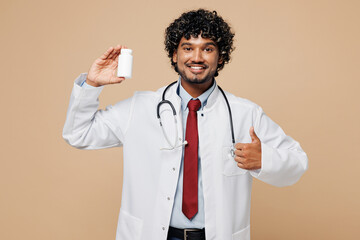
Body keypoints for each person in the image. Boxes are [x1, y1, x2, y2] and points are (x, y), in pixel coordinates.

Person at [63, 9, 308, 240]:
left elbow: (297, 163)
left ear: (220, 57)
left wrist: (264, 159)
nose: (197, 57)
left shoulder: (245, 113)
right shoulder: (140, 108)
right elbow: (78, 134)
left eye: (208, 48)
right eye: (187, 47)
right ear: (174, 54)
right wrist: (92, 85)